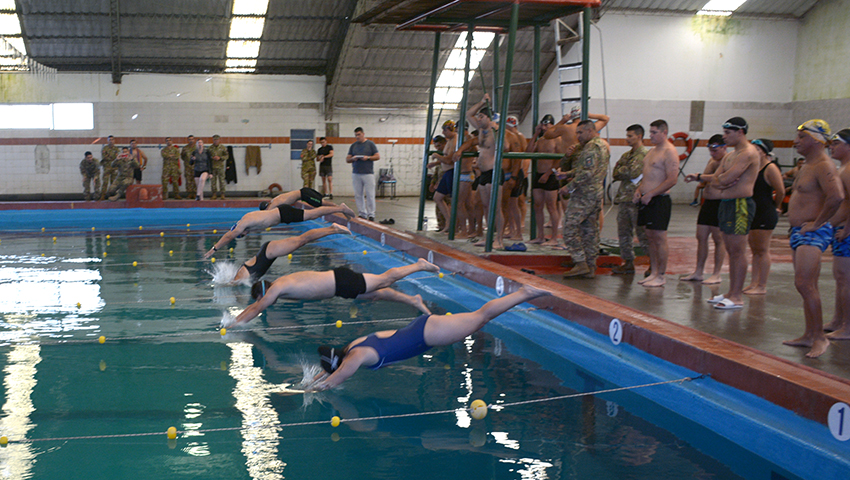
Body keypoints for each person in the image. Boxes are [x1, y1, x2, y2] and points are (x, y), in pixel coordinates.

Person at [306, 284, 551, 391]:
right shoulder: (350, 348)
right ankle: (523, 294)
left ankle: (523, 293)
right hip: (422, 329)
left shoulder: (355, 357)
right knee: (479, 318)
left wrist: (303, 392)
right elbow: (332, 371)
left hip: (428, 335)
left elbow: (333, 380)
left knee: (481, 317)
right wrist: (318, 376)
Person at [228, 258, 441, 327]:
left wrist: (234, 323)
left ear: (262, 293)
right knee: (379, 293)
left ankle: (419, 265)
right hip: (339, 287)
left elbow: (257, 307)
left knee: (385, 279)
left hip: (341, 281)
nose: (266, 303)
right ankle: (414, 301)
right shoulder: (282, 285)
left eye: (262, 298)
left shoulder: (277, 289)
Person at [784, 119, 844, 358]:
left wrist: (818, 224)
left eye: (802, 137)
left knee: (807, 285)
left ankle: (820, 338)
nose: (796, 141)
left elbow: (837, 197)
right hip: (799, 232)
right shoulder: (807, 164)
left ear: (817, 140)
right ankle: (809, 334)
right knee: (802, 285)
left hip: (813, 233)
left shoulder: (823, 165)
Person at [685, 117, 759, 309]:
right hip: (726, 203)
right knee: (732, 250)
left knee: (737, 251)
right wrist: (712, 178)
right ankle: (730, 292)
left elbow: (725, 179)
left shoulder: (748, 153)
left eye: (728, 133)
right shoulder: (730, 156)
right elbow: (720, 178)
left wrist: (716, 179)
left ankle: (736, 296)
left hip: (740, 205)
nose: (724, 137)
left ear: (740, 132)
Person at [203, 201, 355, 258]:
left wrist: (214, 249)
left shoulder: (244, 223)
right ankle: (339, 210)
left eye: (242, 235)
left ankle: (340, 208)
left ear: (240, 231)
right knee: (312, 215)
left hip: (284, 213)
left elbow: (229, 236)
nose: (245, 235)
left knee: (313, 214)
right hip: (282, 214)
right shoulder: (247, 222)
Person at [561, 119, 610, 278]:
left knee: (569, 227)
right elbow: (587, 168)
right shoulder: (602, 145)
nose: (578, 136)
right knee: (589, 231)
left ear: (590, 131)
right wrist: (567, 174)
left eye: (580, 132)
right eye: (577, 133)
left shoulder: (590, 148)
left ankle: (580, 262)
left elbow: (587, 172)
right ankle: (590, 265)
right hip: (595, 193)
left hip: (584, 195)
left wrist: (569, 186)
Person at [633, 120, 679, 287]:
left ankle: (661, 275)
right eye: (650, 132)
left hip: (659, 200)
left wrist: (652, 194)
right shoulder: (651, 151)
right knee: (649, 237)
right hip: (646, 199)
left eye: (654, 132)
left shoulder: (669, 152)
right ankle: (653, 272)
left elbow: (672, 179)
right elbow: (647, 177)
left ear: (664, 132)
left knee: (659, 238)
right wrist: (639, 190)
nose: (650, 136)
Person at [232, 223, 351, 283]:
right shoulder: (242, 276)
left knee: (302, 240)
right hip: (268, 251)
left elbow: (233, 284)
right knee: (302, 240)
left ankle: (332, 228)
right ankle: (331, 229)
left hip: (269, 251)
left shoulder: (240, 278)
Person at [680, 135, 727, 284]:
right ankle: (698, 271)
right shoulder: (712, 160)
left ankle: (717, 273)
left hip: (721, 203)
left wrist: (699, 176)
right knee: (701, 236)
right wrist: (699, 178)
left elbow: (718, 177)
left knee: (719, 239)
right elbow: (707, 178)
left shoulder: (729, 160)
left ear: (724, 147)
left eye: (715, 150)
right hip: (708, 203)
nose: (712, 153)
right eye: (710, 150)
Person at [742, 139, 784, 295]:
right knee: (754, 250)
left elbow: (780, 190)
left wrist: (777, 206)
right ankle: (754, 282)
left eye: (757, 150)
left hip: (765, 212)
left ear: (765, 152)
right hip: (753, 212)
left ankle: (762, 285)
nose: (753, 152)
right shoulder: (753, 168)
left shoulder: (770, 168)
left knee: (763, 250)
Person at [466, 94, 505, 249]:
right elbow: (468, 114)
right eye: (479, 117)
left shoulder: (496, 132)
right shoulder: (481, 130)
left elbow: (506, 146)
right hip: (483, 174)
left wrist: (498, 129)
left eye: (482, 117)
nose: (479, 119)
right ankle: (489, 237)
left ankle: (499, 240)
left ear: (489, 119)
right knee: (486, 206)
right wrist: (482, 102)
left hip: (494, 173)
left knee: (496, 207)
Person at [611, 124, 649, 274]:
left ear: (639, 136)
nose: (627, 139)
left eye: (630, 136)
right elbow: (615, 172)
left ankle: (653, 263)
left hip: (637, 199)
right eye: (627, 136)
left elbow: (633, 173)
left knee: (642, 233)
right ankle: (627, 262)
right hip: (624, 198)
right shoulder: (627, 155)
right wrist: (622, 170)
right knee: (623, 232)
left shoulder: (644, 154)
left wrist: (622, 169)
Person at [826, 129, 850, 340]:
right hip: (840, 230)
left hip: (846, 232)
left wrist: (847, 228)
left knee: (846, 278)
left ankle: (848, 326)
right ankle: (838, 320)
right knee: (840, 278)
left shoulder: (849, 170)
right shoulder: (842, 169)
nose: (831, 147)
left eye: (836, 143)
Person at [527, 114, 562, 246]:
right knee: (537, 206)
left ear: (553, 125)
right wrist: (535, 135)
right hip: (538, 175)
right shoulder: (540, 140)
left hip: (551, 176)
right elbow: (528, 152)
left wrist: (547, 174)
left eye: (547, 125)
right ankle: (540, 236)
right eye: (543, 125)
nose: (545, 127)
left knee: (552, 207)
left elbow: (559, 160)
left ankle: (553, 238)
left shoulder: (557, 140)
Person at [427, 121, 458, 234]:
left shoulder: (455, 140)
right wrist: (435, 164)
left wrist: (436, 156)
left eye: (445, 130)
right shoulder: (450, 140)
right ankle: (449, 223)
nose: (443, 132)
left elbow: (449, 160)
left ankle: (454, 225)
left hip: (452, 172)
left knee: (453, 201)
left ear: (450, 129)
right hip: (446, 173)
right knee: (437, 197)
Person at [346, 127, 380, 221]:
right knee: (358, 194)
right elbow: (347, 159)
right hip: (356, 173)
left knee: (370, 194)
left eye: (359, 135)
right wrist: (353, 159)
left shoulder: (370, 144)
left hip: (368, 173)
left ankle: (371, 214)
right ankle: (362, 213)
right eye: (356, 135)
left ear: (363, 134)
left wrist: (368, 158)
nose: (357, 137)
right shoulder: (353, 146)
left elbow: (377, 156)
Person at [261, 186, 327, 211]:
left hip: (304, 194)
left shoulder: (273, 205)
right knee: (320, 203)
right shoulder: (274, 200)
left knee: (321, 203)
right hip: (304, 192)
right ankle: (335, 207)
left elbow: (268, 213)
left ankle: (336, 207)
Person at [208, 134, 229, 199]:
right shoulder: (210, 148)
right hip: (213, 167)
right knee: (213, 181)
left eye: (217, 140)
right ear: (213, 140)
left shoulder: (223, 148)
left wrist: (220, 158)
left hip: (220, 167)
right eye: (214, 140)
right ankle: (214, 194)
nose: (216, 141)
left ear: (219, 140)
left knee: (222, 181)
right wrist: (212, 157)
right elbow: (207, 157)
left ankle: (222, 194)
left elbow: (227, 156)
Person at [98, 135, 119, 201]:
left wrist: (109, 156)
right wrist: (112, 157)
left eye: (112, 140)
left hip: (114, 168)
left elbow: (117, 158)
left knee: (113, 183)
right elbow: (104, 157)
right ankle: (103, 196)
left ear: (114, 141)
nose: (111, 141)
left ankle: (112, 196)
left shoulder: (116, 149)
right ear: (107, 141)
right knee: (105, 182)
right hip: (107, 168)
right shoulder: (105, 148)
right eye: (109, 140)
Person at [181, 135, 198, 200]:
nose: (191, 140)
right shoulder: (185, 148)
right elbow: (182, 157)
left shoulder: (197, 148)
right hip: (188, 167)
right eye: (190, 139)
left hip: (196, 167)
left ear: (194, 140)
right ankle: (189, 194)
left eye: (192, 139)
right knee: (188, 181)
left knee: (195, 180)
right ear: (188, 140)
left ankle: (195, 193)